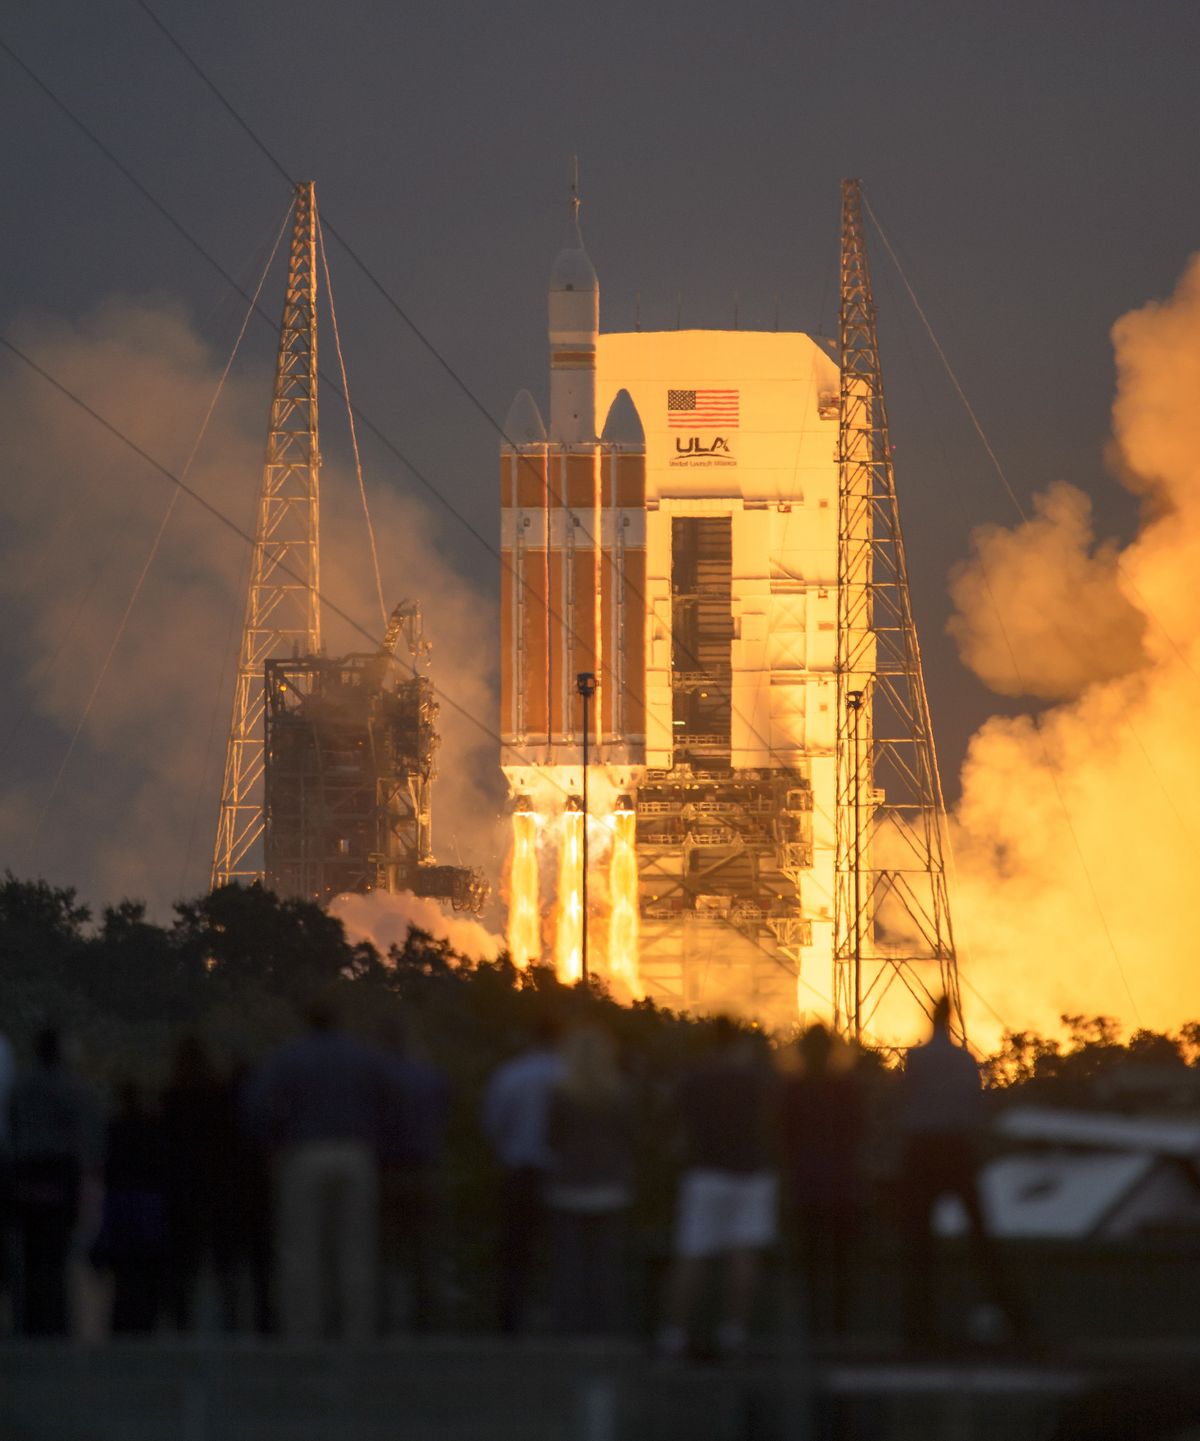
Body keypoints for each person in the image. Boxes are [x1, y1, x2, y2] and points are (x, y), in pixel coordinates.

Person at [249, 995, 392, 1342]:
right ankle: (356, 1330)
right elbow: (390, 1101)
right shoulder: (364, 1056)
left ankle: (304, 1330)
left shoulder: (289, 1056)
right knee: (355, 1246)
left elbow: (257, 1106)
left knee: (302, 1247)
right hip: (356, 1154)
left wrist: (271, 1142)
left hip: (305, 1153)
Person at [897, 995, 1023, 1347]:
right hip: (957, 1149)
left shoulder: (916, 1059)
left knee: (918, 1242)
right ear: (951, 1018)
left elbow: (906, 1101)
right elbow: (974, 1103)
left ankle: (917, 1327)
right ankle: (1011, 1315)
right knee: (980, 1237)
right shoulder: (964, 1059)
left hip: (922, 1151)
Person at [659, 1016, 778, 1358]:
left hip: (704, 1173)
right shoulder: (755, 1080)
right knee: (744, 1254)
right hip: (750, 1174)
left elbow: (672, 1123)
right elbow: (770, 1121)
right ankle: (733, 1333)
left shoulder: (694, 1079)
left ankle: (673, 1334)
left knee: (691, 1255)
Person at [8, 1028, 102, 1336]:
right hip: (58, 1172)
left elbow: (13, 1125)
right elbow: (83, 1135)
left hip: (27, 1170)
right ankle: (56, 1320)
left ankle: (30, 1319)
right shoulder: (72, 1088)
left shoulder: (21, 1086)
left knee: (31, 1252)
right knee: (57, 1253)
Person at [546, 1024, 635, 1335]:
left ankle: (568, 1329)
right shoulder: (619, 1094)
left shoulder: (561, 1095)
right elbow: (628, 1136)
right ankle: (607, 1329)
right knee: (606, 1264)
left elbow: (552, 1138)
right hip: (610, 1185)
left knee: (569, 1264)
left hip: (568, 1186)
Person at [481, 1012, 563, 1334]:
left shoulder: (510, 1075)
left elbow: (493, 1125)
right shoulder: (569, 1074)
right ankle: (560, 1321)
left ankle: (511, 1323)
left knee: (514, 1251)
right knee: (558, 1251)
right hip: (558, 1175)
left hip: (517, 1172)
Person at [780, 1024, 864, 1341]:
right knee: (842, 1264)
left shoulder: (792, 1089)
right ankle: (842, 1328)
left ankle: (814, 1328)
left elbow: (783, 1137)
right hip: (842, 1187)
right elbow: (858, 1132)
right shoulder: (847, 1089)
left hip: (806, 1188)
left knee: (810, 1263)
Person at [160, 1036, 240, 1331]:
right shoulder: (219, 1095)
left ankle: (181, 1320)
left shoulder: (172, 1097)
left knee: (183, 1261)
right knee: (223, 1261)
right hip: (217, 1185)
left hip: (182, 1187)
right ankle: (230, 1319)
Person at [376, 1016, 450, 1334]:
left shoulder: (378, 1078)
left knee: (387, 1251)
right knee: (425, 1249)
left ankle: (387, 1320)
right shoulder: (430, 1076)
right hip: (424, 1170)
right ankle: (426, 1322)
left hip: (388, 1171)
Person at [91, 1079, 167, 1334]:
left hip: (121, 1207)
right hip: (147, 1207)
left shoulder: (115, 1129)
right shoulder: (152, 1129)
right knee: (144, 1274)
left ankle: (123, 1324)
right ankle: (144, 1323)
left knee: (124, 1276)